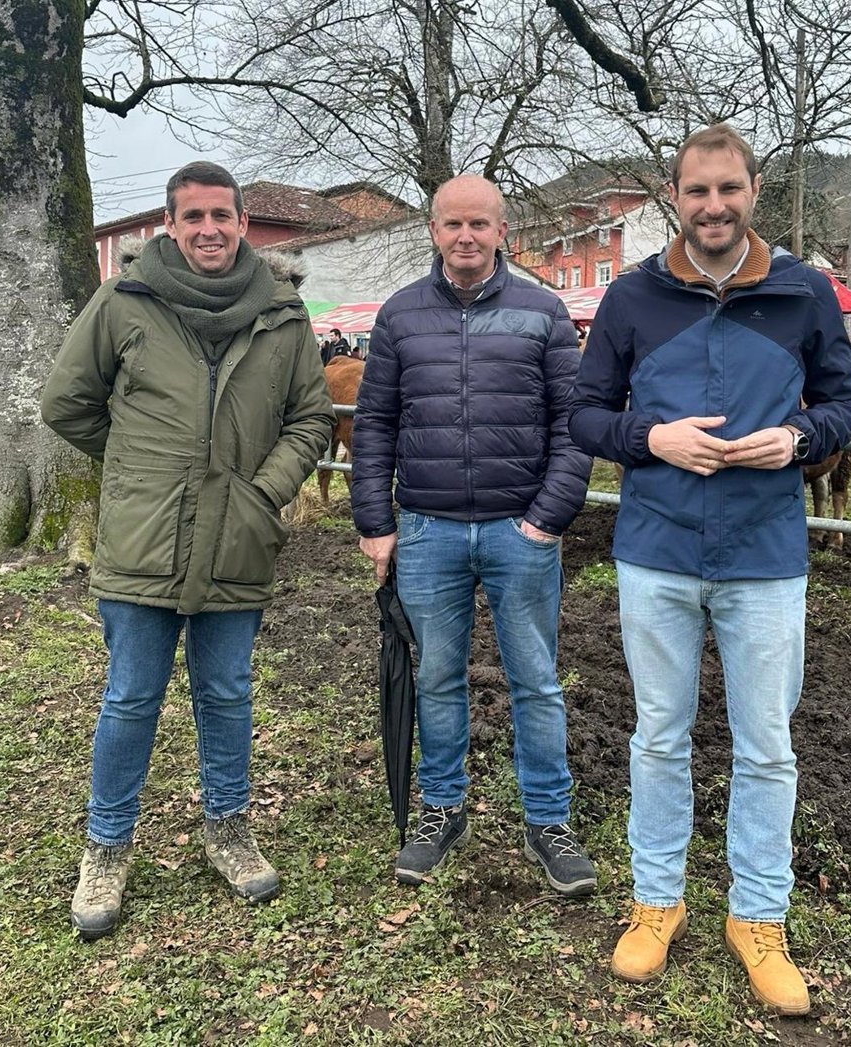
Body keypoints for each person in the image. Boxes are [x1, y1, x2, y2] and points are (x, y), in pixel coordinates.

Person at [569, 124, 851, 1013]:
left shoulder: (803, 292)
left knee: (766, 744)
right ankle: (657, 899)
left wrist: (800, 438)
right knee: (659, 734)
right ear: (675, 195)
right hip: (656, 550)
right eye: (697, 191)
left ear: (754, 190)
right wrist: (649, 437)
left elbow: (847, 403)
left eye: (728, 188)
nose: (713, 206)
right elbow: (585, 414)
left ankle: (758, 916)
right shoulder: (631, 297)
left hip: (765, 555)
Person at [41, 160, 335, 941]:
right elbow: (66, 402)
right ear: (168, 225)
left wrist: (265, 490)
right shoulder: (124, 300)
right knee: (132, 696)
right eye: (193, 216)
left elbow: (312, 417)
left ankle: (228, 829)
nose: (208, 228)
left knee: (227, 692)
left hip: (239, 531)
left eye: (221, 215)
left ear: (243, 223)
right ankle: (107, 847)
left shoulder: (282, 313)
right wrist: (136, 469)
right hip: (144, 535)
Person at [351, 173, 596, 897]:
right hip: (427, 530)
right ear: (434, 230)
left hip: (521, 531)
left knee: (536, 680)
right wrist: (376, 521)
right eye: (453, 224)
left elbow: (573, 425)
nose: (465, 236)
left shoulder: (543, 311)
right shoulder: (400, 316)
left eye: (479, 224)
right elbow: (375, 424)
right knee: (436, 676)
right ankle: (442, 806)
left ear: (502, 231)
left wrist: (548, 516)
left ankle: (549, 819)